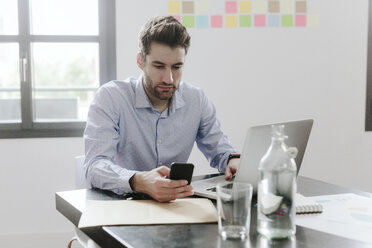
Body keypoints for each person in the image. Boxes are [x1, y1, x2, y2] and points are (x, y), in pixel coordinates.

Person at [84, 15, 240, 202]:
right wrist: (137, 180)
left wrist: (233, 161)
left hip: (174, 206)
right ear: (140, 61)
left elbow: (221, 151)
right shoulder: (111, 97)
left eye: (176, 67)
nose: (169, 79)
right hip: (122, 204)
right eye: (159, 66)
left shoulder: (196, 100)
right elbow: (95, 166)